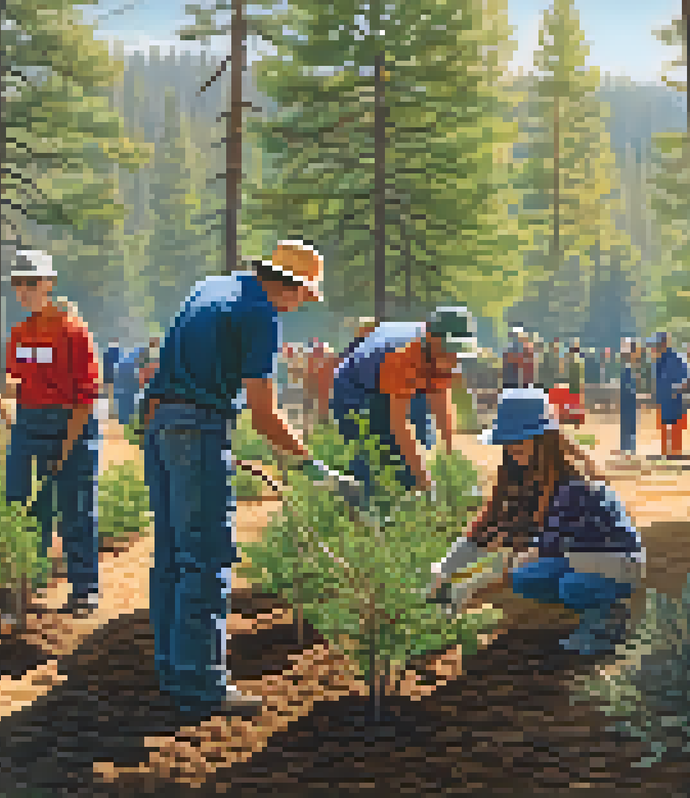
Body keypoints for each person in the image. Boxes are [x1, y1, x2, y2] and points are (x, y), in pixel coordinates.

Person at [142, 240, 348, 715]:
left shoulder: (211, 287)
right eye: (304, 297)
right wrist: (312, 466)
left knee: (173, 555)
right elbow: (265, 415)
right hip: (199, 428)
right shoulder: (261, 315)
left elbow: (168, 368)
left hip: (163, 426)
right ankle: (201, 686)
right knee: (208, 557)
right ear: (291, 287)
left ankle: (173, 669)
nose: (300, 306)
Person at [423, 387, 642, 655]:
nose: (511, 447)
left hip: (614, 560)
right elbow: (491, 525)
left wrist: (470, 586)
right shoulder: (524, 470)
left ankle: (607, 620)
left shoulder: (576, 482)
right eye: (507, 441)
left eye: (518, 440)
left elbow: (542, 547)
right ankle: (595, 605)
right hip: (573, 556)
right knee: (527, 578)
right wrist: (444, 569)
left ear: (544, 439)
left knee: (570, 585)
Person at [4, 250, 103, 616]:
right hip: (29, 423)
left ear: (49, 284)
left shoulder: (73, 331)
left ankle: (84, 591)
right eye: (19, 283)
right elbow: (20, 385)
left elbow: (86, 395)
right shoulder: (19, 333)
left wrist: (67, 446)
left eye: (32, 282)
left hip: (71, 423)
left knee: (76, 509)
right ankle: (25, 587)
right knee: (23, 504)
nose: (25, 290)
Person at [329, 307, 475, 497]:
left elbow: (440, 399)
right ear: (430, 338)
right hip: (356, 389)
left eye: (457, 350)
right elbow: (399, 424)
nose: (453, 358)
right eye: (448, 349)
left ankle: (413, 491)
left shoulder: (447, 355)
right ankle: (366, 505)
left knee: (423, 440)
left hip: (398, 377)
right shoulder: (401, 356)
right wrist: (424, 480)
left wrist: (450, 454)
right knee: (373, 451)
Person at [650, 332, 690, 459]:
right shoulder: (658, 361)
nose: (655, 348)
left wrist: (678, 389)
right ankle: (665, 452)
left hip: (675, 398)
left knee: (676, 426)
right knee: (663, 426)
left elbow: (686, 378)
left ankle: (676, 452)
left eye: (657, 345)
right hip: (663, 399)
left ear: (664, 344)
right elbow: (656, 380)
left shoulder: (677, 359)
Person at [616, 339, 638, 455]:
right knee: (625, 421)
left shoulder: (632, 367)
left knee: (630, 422)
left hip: (629, 397)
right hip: (626, 396)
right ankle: (625, 446)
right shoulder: (626, 367)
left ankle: (630, 447)